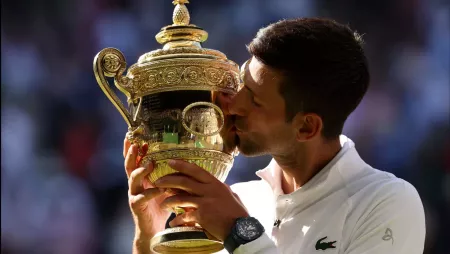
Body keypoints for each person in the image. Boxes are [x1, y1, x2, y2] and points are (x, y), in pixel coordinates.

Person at [123, 18, 426, 254]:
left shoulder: (386, 203)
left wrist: (239, 231)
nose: (232, 103)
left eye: (254, 100)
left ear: (307, 127)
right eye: (241, 82)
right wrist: (148, 233)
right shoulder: (238, 199)